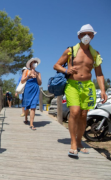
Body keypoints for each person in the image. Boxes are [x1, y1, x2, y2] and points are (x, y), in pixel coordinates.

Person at [53, 24, 107, 157]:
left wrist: (103, 90)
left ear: (93, 36)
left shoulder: (95, 54)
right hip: (72, 85)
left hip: (88, 86)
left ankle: (79, 141)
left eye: (90, 34)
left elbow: (99, 74)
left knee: (83, 115)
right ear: (79, 36)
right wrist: (66, 70)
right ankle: (72, 143)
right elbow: (56, 65)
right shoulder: (70, 50)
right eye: (84, 34)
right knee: (75, 112)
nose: (87, 36)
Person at [21, 58, 42, 130]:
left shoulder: (38, 73)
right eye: (34, 62)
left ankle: (31, 124)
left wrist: (37, 76)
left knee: (33, 107)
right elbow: (22, 81)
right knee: (27, 106)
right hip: (28, 89)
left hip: (35, 89)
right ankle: (26, 118)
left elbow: (40, 83)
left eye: (36, 62)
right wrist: (28, 76)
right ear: (30, 63)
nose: (35, 63)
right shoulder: (26, 71)